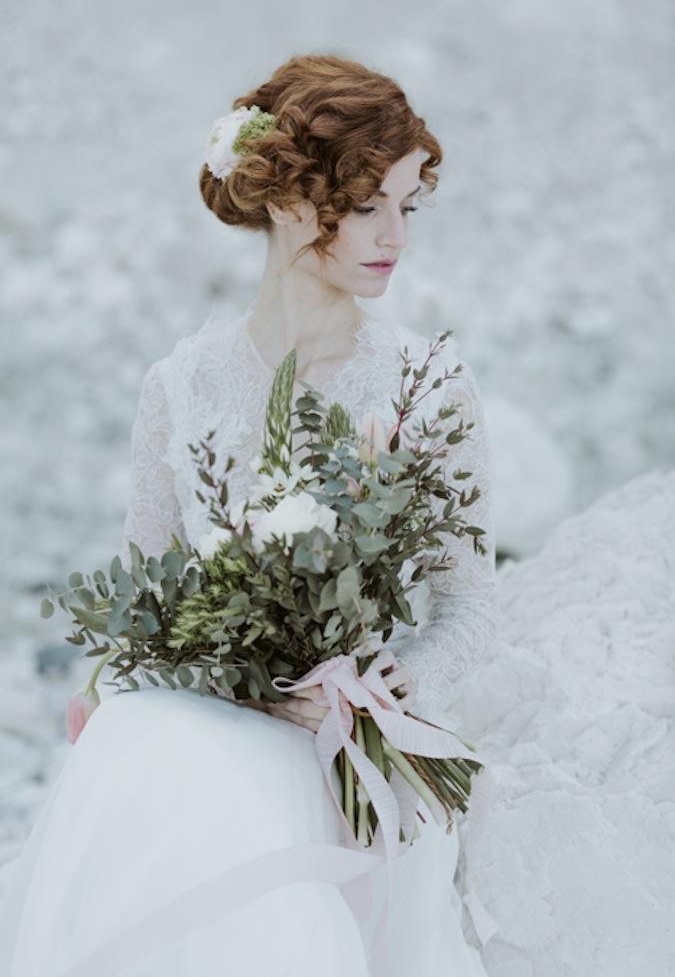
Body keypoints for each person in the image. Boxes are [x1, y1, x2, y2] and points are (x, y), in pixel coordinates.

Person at [0, 53, 498, 976]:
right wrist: (254, 691)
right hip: (214, 723)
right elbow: (146, 612)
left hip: (343, 747)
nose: (394, 233)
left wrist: (393, 678)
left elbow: (469, 604)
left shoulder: (426, 384)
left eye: (406, 204)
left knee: (197, 786)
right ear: (285, 202)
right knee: (152, 746)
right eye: (364, 204)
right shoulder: (182, 384)